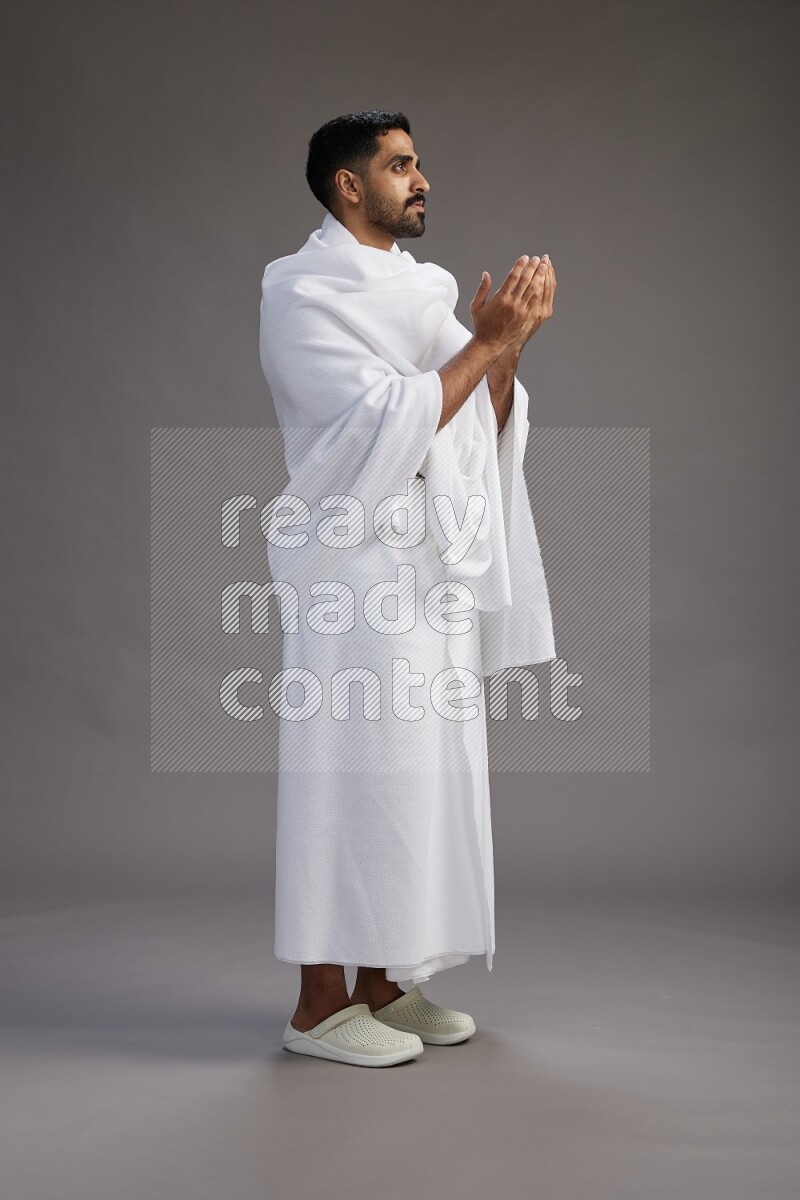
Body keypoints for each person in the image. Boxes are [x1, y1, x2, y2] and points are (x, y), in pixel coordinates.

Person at [259, 110, 556, 1067]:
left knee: (419, 776)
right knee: (348, 773)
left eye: (418, 162)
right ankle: (317, 1005)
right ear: (349, 185)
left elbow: (471, 420)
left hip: (428, 572)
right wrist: (483, 345)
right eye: (399, 165)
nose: (420, 179)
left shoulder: (423, 291)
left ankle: (386, 986)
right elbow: (380, 424)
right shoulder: (299, 293)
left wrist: (505, 348)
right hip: (352, 576)